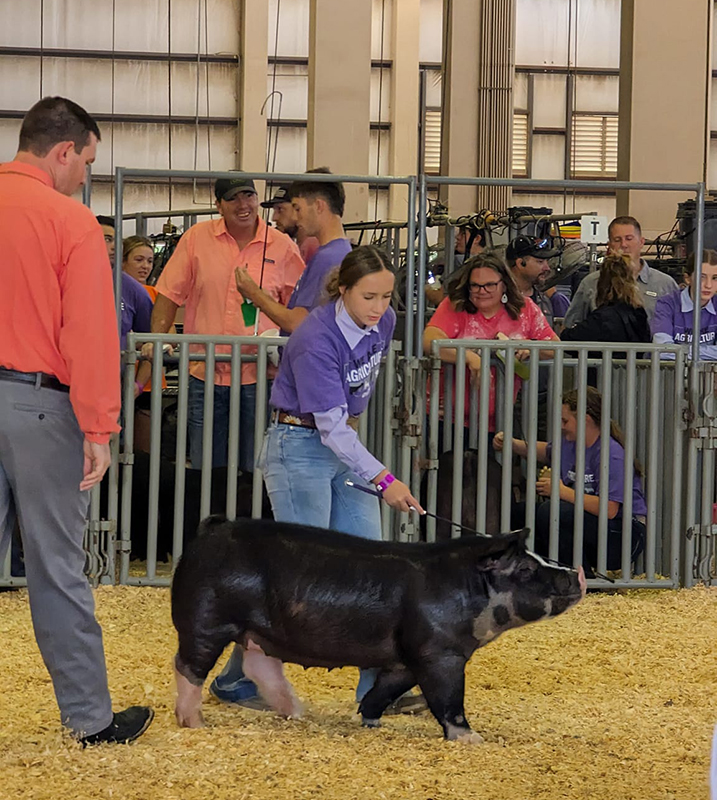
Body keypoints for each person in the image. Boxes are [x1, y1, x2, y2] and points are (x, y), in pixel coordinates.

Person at [211, 246, 427, 716]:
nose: (379, 308)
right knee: (298, 580)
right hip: (298, 448)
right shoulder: (314, 338)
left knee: (375, 570)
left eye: (387, 297)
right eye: (369, 296)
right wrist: (384, 477)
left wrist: (368, 464)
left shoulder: (384, 323)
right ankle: (233, 679)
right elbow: (328, 426)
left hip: (343, 446)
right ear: (342, 290)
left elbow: (352, 406)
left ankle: (376, 691)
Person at [0, 96, 153, 744]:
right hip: (37, 405)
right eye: (86, 162)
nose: (84, 176)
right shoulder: (68, 221)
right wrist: (101, 428)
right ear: (64, 151)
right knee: (56, 566)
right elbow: (90, 333)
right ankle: (89, 720)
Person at [145, 174, 305, 473]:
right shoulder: (196, 238)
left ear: (258, 200)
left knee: (257, 465)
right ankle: (209, 519)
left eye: (248, 196)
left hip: (261, 376)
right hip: (204, 372)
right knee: (206, 467)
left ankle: (252, 519)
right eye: (233, 198)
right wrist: (158, 339)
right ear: (218, 205)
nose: (243, 204)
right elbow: (168, 294)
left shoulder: (282, 246)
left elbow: (298, 309)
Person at [493, 387, 646, 575]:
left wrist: (561, 491)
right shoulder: (570, 443)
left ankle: (581, 581)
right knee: (520, 513)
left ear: (585, 420)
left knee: (554, 511)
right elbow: (546, 451)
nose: (561, 425)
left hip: (623, 534)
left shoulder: (611, 454)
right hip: (593, 525)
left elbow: (610, 509)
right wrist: (512, 444)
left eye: (565, 420)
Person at [423, 252, 559, 436]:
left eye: (489, 285)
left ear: (504, 284)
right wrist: (469, 357)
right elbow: (430, 340)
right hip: (446, 420)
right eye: (475, 286)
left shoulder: (526, 309)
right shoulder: (455, 305)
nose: (482, 291)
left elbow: (554, 347)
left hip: (499, 422)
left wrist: (530, 346)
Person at [234, 167, 351, 335]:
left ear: (319, 206)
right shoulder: (337, 252)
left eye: (297, 209)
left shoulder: (327, 258)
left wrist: (254, 294)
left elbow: (298, 323)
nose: (295, 218)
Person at [564, 216, 678, 327]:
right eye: (617, 240)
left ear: (641, 242)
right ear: (610, 246)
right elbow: (571, 325)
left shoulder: (665, 284)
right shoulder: (591, 283)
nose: (623, 245)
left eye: (629, 238)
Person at [96, 217, 153, 396]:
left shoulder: (134, 290)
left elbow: (151, 341)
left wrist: (138, 385)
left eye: (116, 240)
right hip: (65, 382)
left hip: (110, 386)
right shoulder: (65, 278)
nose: (113, 246)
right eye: (106, 239)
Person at [560, 253, 651, 357]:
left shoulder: (602, 318)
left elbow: (568, 339)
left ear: (601, 282)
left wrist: (568, 330)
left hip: (601, 371)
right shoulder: (639, 313)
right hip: (631, 370)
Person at [652, 249, 717, 360]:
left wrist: (682, 351)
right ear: (687, 278)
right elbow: (663, 351)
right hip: (670, 375)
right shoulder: (667, 304)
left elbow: (671, 351)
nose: (709, 285)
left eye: (715, 278)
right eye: (702, 277)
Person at [506, 235, 569, 327]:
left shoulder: (545, 301)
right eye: (540, 262)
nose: (547, 268)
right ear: (520, 263)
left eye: (547, 262)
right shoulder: (496, 299)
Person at [260, 184, 319, 265]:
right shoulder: (297, 247)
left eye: (280, 209)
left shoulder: (312, 248)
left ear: (297, 209)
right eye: (274, 210)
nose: (274, 218)